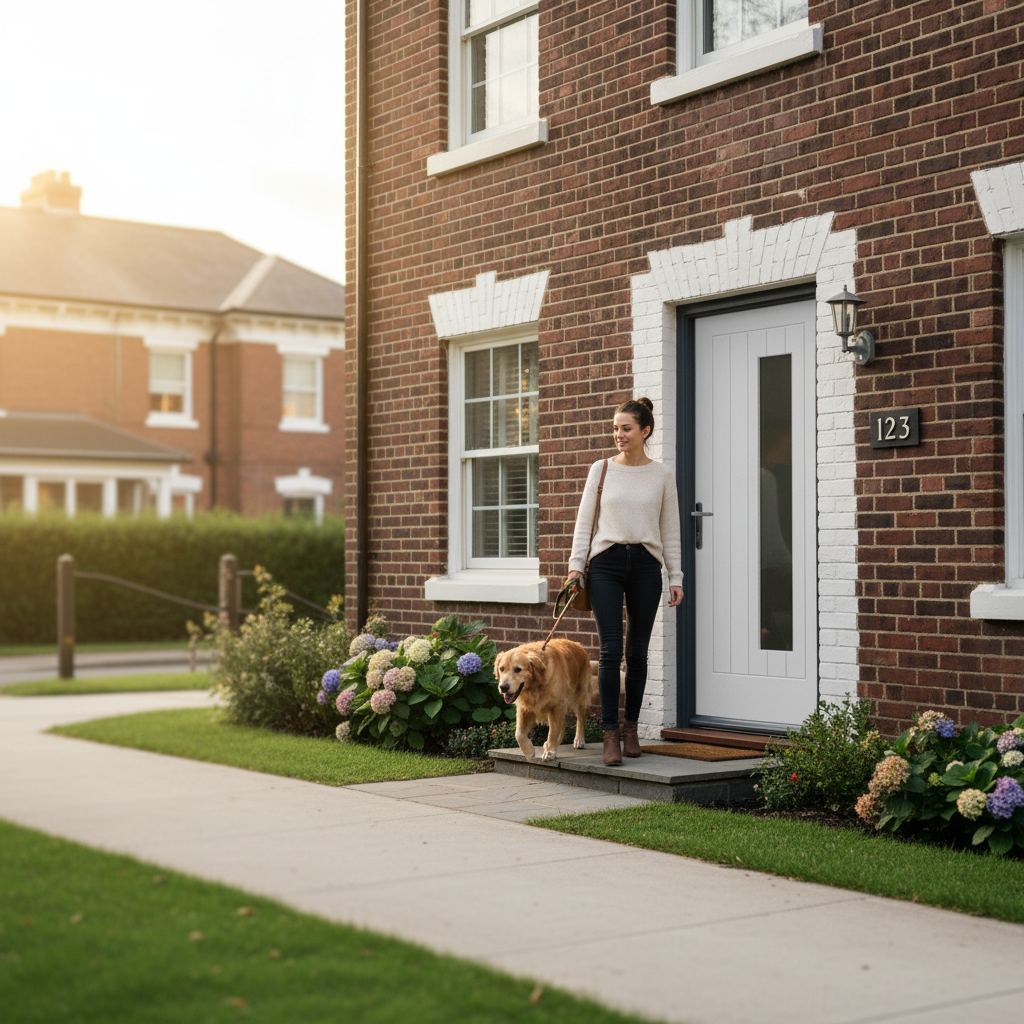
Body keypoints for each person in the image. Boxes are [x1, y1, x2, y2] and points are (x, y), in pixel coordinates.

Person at [567, 397, 683, 765]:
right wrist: (575, 568)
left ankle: (632, 728)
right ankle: (610, 735)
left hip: (647, 565)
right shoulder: (600, 470)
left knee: (637, 653)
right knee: (610, 651)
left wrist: (675, 575)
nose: (618, 434)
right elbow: (584, 522)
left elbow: (671, 531)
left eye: (626, 428)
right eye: (615, 428)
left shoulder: (662, 475)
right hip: (606, 564)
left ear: (645, 431)